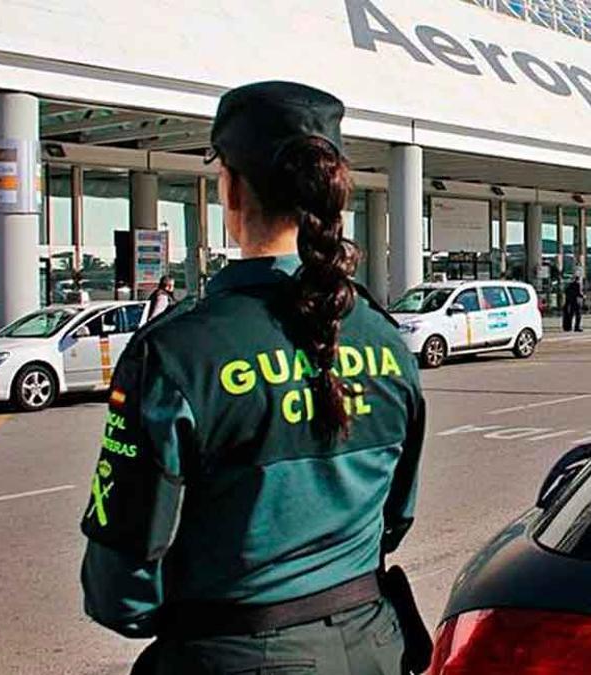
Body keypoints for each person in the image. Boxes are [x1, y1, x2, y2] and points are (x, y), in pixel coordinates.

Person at [79, 82, 427, 675]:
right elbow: (394, 518)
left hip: (234, 651)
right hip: (374, 646)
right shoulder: (385, 339)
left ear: (231, 188)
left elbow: (122, 587)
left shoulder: (177, 352)